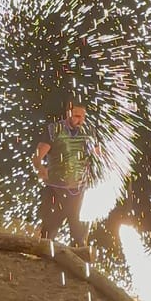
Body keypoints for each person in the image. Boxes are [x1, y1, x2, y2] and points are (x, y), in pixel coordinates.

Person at [31, 101, 101, 249]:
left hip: (79, 189)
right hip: (56, 188)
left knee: (78, 231)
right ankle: (44, 255)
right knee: (50, 228)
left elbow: (99, 155)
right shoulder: (54, 130)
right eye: (76, 116)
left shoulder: (89, 131)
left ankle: (79, 257)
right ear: (68, 114)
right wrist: (40, 167)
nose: (80, 120)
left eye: (83, 117)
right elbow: (37, 156)